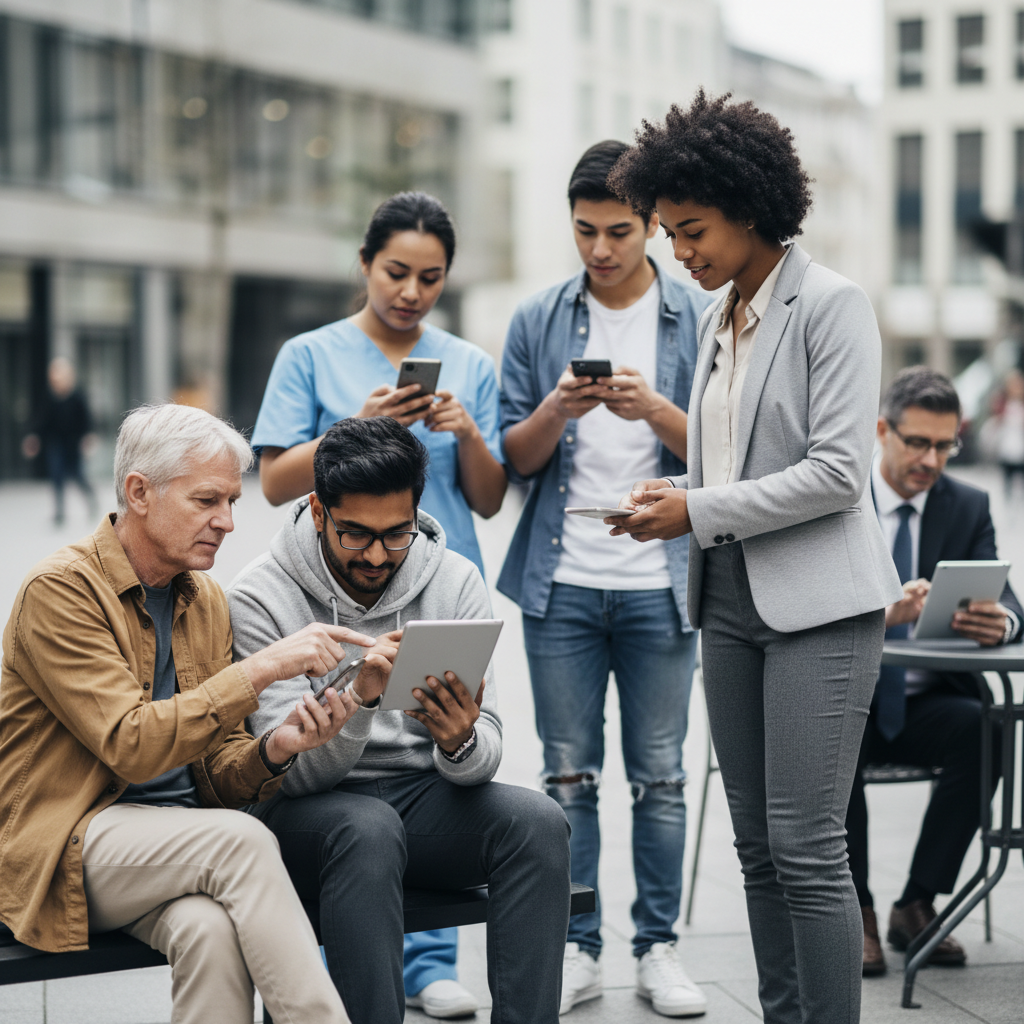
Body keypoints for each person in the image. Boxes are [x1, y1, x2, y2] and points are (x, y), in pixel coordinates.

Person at [605, 91, 903, 1024]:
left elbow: (835, 474)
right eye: (668, 234)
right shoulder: (714, 317)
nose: (679, 254)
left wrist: (697, 508)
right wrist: (677, 493)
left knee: (809, 847)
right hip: (728, 596)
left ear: (748, 206)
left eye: (691, 232)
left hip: (821, 603)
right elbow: (728, 458)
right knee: (756, 849)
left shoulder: (832, 306)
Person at [0, 403, 390, 1024]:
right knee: (242, 840)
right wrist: (261, 669)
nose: (229, 521)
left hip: (170, 841)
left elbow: (212, 774)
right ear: (139, 492)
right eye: (208, 500)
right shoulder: (61, 591)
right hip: (70, 842)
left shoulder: (202, 599)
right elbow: (131, 745)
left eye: (233, 502)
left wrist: (277, 748)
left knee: (211, 932)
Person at [227, 416, 571, 1024]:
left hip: (418, 801)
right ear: (316, 509)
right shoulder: (260, 596)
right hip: (309, 815)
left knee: (539, 823)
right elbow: (290, 777)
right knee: (366, 827)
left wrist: (460, 741)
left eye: (397, 534)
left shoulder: (455, 580)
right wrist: (359, 700)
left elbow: (483, 751)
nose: (379, 555)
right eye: (356, 535)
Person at [251, 193, 504, 1015]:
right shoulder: (311, 353)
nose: (411, 291)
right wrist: (352, 429)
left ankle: (428, 965)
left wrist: (465, 432)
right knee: (349, 763)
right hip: (337, 583)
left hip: (436, 579)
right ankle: (352, 960)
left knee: (438, 746)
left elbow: (490, 495)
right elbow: (276, 481)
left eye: (431, 277)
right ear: (365, 264)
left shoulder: (467, 359)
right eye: (397, 271)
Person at [498, 140, 710, 1018]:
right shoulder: (538, 317)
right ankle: (577, 946)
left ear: (652, 224)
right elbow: (510, 461)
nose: (600, 250)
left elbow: (733, 459)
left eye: (619, 231)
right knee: (567, 779)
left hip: (662, 583)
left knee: (660, 778)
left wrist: (653, 409)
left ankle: (658, 948)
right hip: (564, 587)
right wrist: (559, 407)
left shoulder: (698, 314)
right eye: (584, 231)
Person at [847, 366, 1021, 976]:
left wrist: (1002, 621)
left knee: (989, 726)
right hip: (847, 695)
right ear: (880, 430)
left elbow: (1012, 602)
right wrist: (878, 614)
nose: (931, 459)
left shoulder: (966, 504)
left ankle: (917, 901)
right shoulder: (839, 494)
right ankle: (856, 912)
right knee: (837, 736)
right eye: (917, 442)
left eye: (945, 445)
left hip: (924, 701)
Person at [21, 356, 98, 525]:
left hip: (73, 443)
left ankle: (91, 500)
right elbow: (42, 420)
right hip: (56, 443)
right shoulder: (50, 397)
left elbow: (86, 421)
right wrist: (33, 437)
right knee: (57, 475)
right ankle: (60, 511)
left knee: (78, 475)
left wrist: (88, 438)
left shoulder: (77, 396)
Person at [990, 367, 1024, 499]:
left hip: (1021, 446)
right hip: (1006, 446)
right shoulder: (1002, 403)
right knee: (1007, 480)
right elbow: (995, 423)